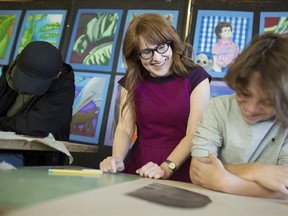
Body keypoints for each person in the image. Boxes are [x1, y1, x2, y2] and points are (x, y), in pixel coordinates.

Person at [100, 13, 211, 182]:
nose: (157, 58)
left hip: (182, 167)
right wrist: (116, 159)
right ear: (136, 56)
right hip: (140, 166)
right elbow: (124, 128)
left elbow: (194, 133)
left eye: (162, 47)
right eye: (146, 52)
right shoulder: (132, 81)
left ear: (172, 43)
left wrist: (166, 168)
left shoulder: (196, 76)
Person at [190, 33, 288, 199]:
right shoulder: (219, 108)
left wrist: (226, 182)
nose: (251, 109)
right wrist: (258, 171)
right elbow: (198, 171)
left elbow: (284, 189)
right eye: (244, 94)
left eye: (267, 102)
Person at [0, 41, 75, 165]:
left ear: (56, 75)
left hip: (37, 158)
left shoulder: (63, 87)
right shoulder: (12, 71)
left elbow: (36, 125)